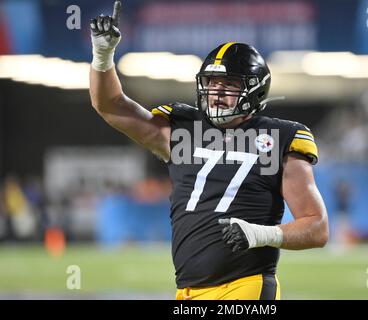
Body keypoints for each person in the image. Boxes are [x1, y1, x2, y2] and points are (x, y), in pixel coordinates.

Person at [89, 1, 328, 300]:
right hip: (187, 292)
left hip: (245, 287)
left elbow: (317, 226)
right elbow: (109, 106)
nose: (216, 94)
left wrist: (261, 234)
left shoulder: (279, 138)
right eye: (211, 84)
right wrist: (103, 56)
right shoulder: (182, 128)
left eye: (227, 85)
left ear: (254, 91)